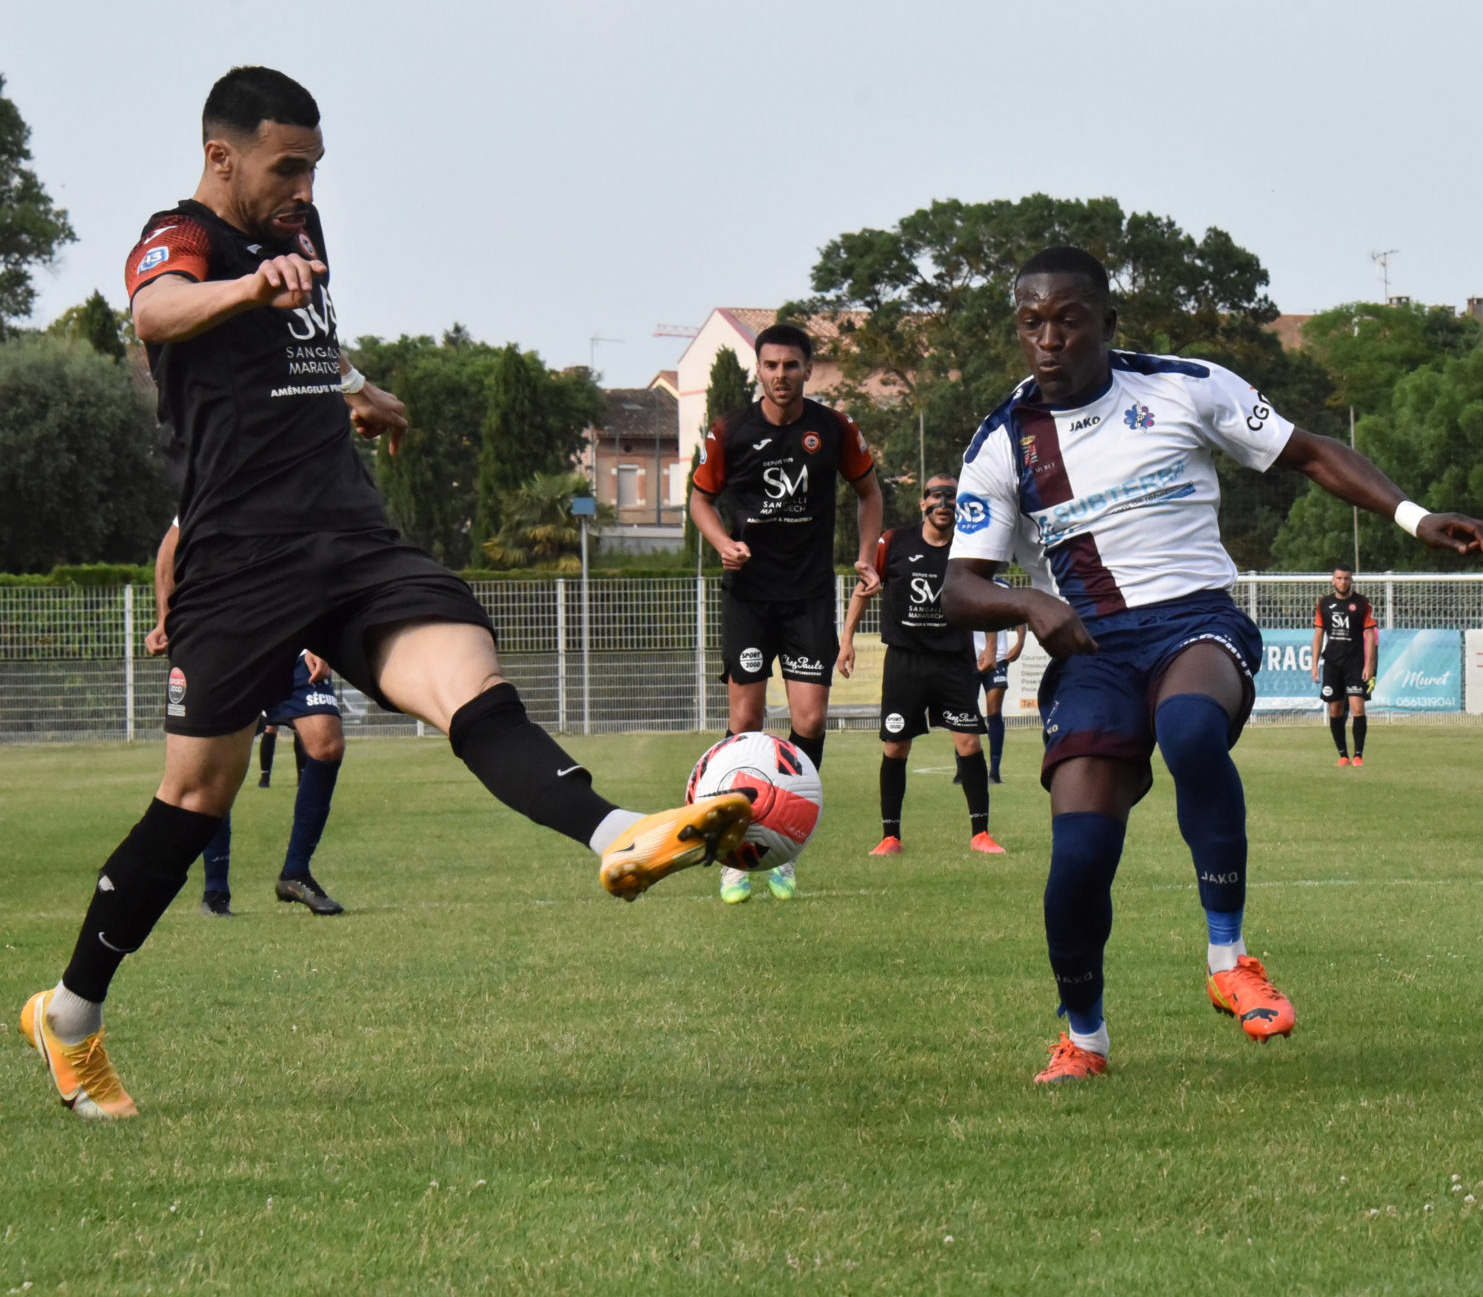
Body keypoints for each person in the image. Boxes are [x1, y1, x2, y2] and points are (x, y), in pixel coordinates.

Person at [22, 67, 752, 1122]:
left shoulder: (302, 230)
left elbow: (305, 341)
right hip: (240, 558)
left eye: (314, 167)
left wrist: (361, 390)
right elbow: (157, 307)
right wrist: (247, 288)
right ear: (221, 155)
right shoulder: (179, 236)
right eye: (286, 167)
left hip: (353, 537)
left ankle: (620, 831)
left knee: (469, 681)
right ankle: (72, 1015)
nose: (304, 188)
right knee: (195, 800)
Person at [942, 245, 1483, 1083]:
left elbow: (1309, 452)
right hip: (1092, 649)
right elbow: (959, 585)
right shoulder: (1003, 442)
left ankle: (1229, 958)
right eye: (1031, 323)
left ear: (1106, 323)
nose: (1048, 340)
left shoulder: (1185, 387)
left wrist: (1413, 517)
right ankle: (1083, 1037)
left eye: (1068, 321)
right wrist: (1030, 604)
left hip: (1194, 619)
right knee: (1079, 858)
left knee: (1191, 728)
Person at [687, 322, 885, 901]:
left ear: (807, 370)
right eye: (771, 365)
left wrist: (866, 555)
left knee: (811, 721)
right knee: (746, 719)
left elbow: (870, 492)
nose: (781, 375)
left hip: (808, 597)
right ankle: (732, 852)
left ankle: (785, 848)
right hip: (749, 596)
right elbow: (700, 499)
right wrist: (722, 543)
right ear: (758, 369)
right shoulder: (729, 431)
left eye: (791, 365)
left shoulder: (834, 428)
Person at [148, 520, 348, 915]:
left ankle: (296, 872)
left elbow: (327, 561)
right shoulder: (216, 487)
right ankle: (215, 891)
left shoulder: (307, 494)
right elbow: (170, 547)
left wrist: (323, 638)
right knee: (212, 768)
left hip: (292, 636)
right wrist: (165, 617)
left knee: (327, 744)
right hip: (223, 640)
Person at [848, 474, 1004, 858]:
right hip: (905, 660)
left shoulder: (968, 549)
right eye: (935, 496)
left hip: (954, 660)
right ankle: (890, 837)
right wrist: (846, 640)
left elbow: (984, 599)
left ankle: (981, 834)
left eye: (951, 497)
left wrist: (990, 646)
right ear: (923, 504)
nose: (943, 503)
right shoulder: (894, 542)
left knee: (968, 743)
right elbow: (864, 588)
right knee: (896, 746)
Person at [1316, 567, 1378, 765]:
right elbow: (1318, 634)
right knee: (1335, 709)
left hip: (1355, 663)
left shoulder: (1362, 603)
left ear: (1351, 580)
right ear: (1333, 580)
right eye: (1339, 578)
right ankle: (1343, 755)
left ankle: (1358, 755)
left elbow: (1370, 635)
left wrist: (1369, 665)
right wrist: (1314, 664)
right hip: (1332, 664)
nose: (1343, 582)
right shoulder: (1324, 604)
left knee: (1357, 707)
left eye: (1346, 578)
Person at [974, 618, 1027, 783]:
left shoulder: (1001, 596)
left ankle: (995, 772)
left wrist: (1020, 643)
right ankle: (962, 771)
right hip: (969, 658)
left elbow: (1019, 614)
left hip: (998, 658)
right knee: (966, 712)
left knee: (994, 713)